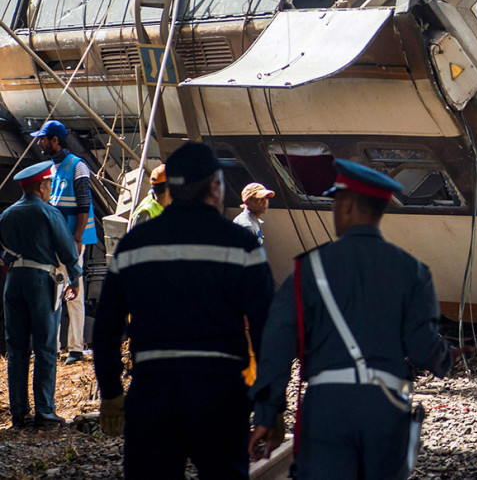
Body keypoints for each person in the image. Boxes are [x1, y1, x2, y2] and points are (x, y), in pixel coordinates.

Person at [248, 159, 465, 479]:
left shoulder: (309, 269)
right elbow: (422, 347)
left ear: (347, 206)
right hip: (386, 407)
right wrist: (445, 359)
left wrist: (266, 414)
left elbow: (278, 344)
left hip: (327, 407)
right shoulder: (412, 270)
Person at [92, 142, 274, 479]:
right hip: (220, 393)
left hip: (153, 392)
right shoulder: (241, 245)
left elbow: (106, 327)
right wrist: (270, 405)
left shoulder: (135, 245)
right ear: (215, 186)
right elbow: (267, 330)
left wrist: (112, 392)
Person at [0, 161, 82, 427]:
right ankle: (45, 410)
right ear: (41, 186)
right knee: (45, 347)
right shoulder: (49, 212)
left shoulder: (7, 214)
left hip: (12, 282)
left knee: (17, 348)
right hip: (40, 282)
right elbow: (67, 249)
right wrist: (76, 276)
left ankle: (19, 412)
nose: (50, 189)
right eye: (48, 184)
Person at [31, 119, 97, 365]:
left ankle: (76, 348)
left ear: (55, 141)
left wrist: (78, 238)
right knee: (53, 291)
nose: (40, 143)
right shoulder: (52, 167)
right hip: (56, 238)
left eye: (43, 139)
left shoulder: (77, 167)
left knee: (74, 290)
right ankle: (51, 346)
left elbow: (83, 205)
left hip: (71, 239)